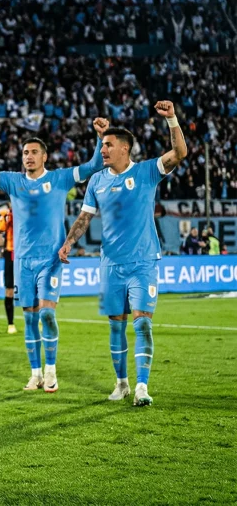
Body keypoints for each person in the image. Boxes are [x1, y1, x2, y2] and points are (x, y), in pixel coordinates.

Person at [0, 117, 107, 390]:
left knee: (47, 315)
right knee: (30, 318)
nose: (28, 157)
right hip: (22, 261)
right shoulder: (13, 181)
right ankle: (35, 373)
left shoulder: (59, 178)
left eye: (34, 152)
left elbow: (93, 165)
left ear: (45, 156)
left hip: (51, 259)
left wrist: (100, 138)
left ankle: (51, 370)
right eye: (25, 153)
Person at [59, 101, 188, 406]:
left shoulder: (146, 171)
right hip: (110, 265)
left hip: (143, 262)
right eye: (102, 145)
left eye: (108, 145)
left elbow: (179, 153)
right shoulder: (97, 181)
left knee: (142, 322)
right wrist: (68, 242)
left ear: (124, 149)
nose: (102, 150)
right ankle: (122, 384)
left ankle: (142, 386)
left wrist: (171, 119)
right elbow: (84, 218)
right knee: (116, 325)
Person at [0, 208, 16, 333]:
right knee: (9, 290)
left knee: (33, 288)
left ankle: (37, 319)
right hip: (10, 254)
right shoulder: (6, 216)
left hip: (26, 252)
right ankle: (10, 324)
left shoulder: (28, 213)